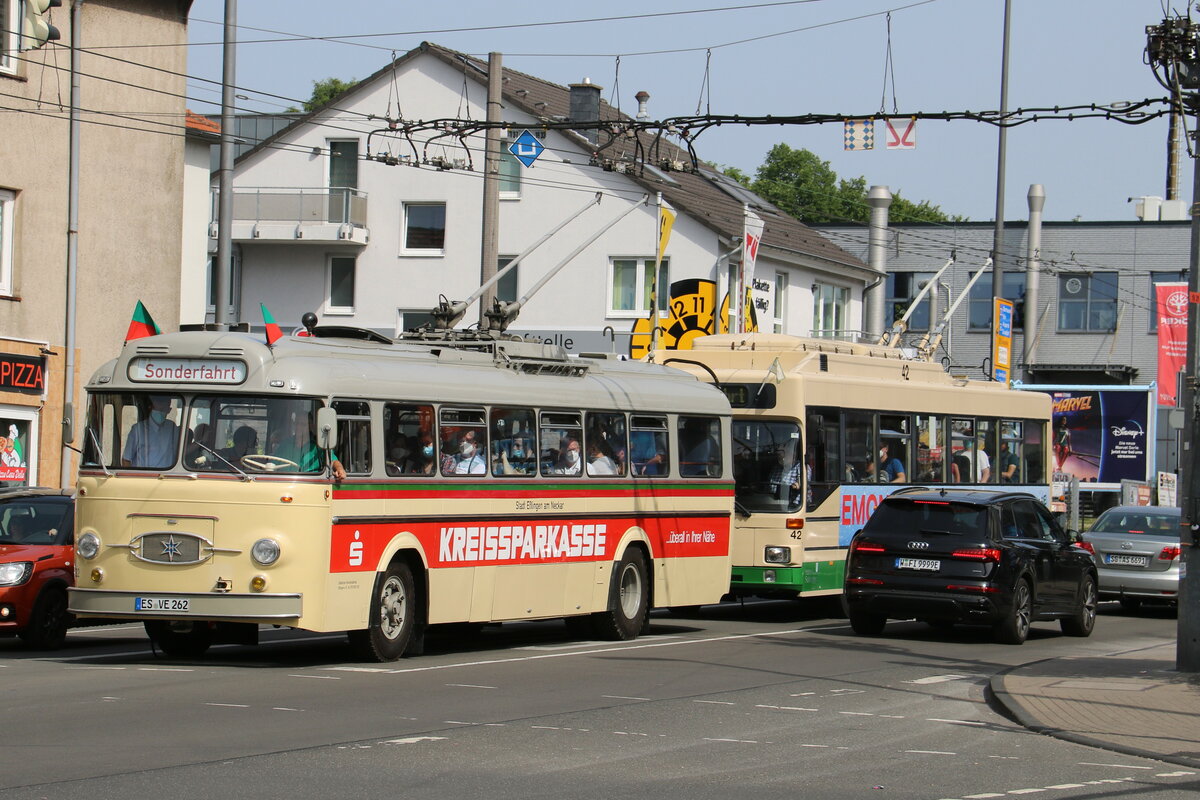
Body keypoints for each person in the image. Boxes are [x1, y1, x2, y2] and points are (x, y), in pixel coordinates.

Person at [274, 413, 346, 480]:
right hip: (287, 481)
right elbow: (273, 463)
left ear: (310, 426)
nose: (299, 427)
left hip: (311, 482)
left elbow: (333, 461)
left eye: (303, 424)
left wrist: (340, 469)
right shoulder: (285, 444)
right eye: (297, 424)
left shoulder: (319, 446)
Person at [121, 395, 179, 468]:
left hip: (167, 476)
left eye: (164, 410)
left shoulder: (172, 427)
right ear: (150, 408)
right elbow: (126, 459)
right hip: (144, 476)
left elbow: (180, 451)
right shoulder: (138, 429)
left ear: (169, 410)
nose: (161, 413)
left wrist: (197, 443)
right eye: (159, 410)